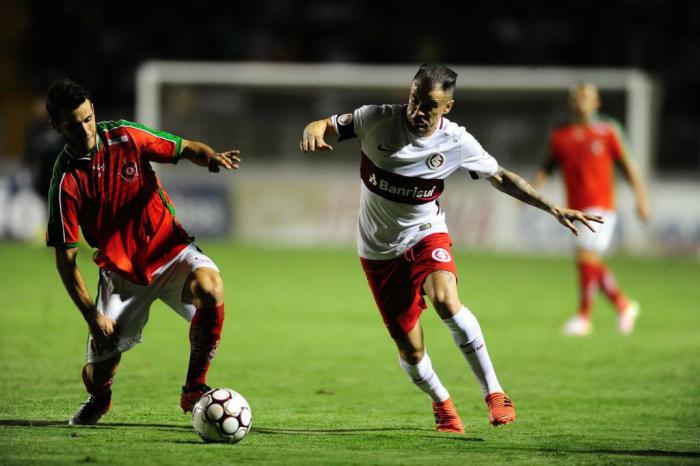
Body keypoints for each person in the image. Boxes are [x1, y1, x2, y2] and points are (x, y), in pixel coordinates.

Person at [300, 64, 602, 433]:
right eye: (414, 99)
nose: (417, 110)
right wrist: (312, 130)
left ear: (448, 107)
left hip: (426, 232)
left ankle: (494, 392)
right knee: (410, 351)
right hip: (378, 250)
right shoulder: (375, 119)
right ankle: (441, 402)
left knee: (445, 300)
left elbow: (501, 177)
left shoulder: (457, 142)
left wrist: (550, 207)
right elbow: (323, 125)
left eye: (429, 104)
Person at [45, 79, 241, 425]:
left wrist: (211, 158)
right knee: (104, 365)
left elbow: (184, 147)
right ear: (57, 126)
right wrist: (92, 317)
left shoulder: (125, 136)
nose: (86, 128)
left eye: (88, 118)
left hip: (171, 250)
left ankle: (194, 388)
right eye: (75, 124)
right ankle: (99, 396)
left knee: (210, 288)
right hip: (122, 275)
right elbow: (66, 261)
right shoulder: (66, 180)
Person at [532, 83, 651, 336]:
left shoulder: (608, 130)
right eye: (577, 97)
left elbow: (629, 167)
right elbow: (546, 167)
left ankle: (583, 317)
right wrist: (528, 193)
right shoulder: (560, 135)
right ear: (571, 103)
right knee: (589, 260)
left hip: (601, 206)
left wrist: (641, 199)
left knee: (586, 257)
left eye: (587, 97)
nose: (581, 101)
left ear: (597, 103)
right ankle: (623, 305)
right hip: (573, 209)